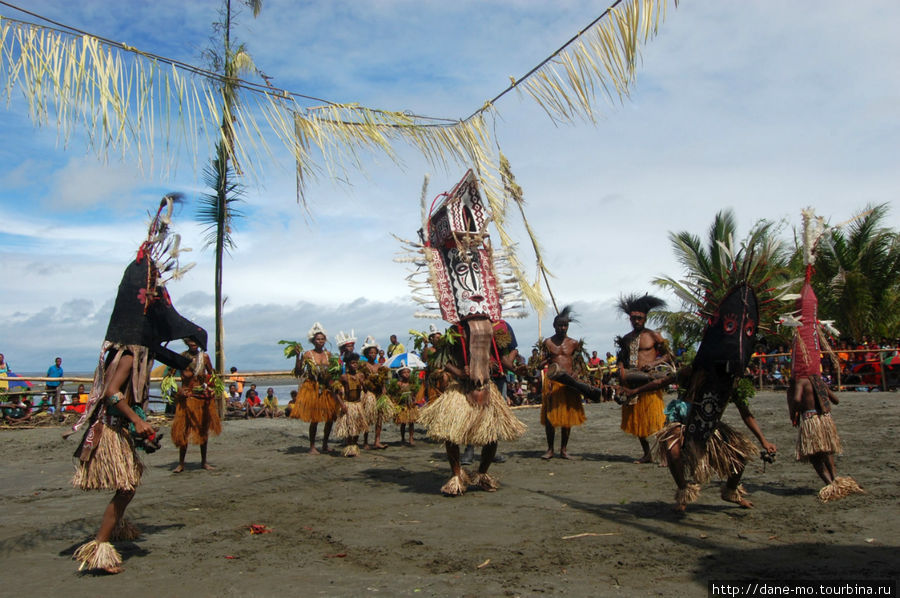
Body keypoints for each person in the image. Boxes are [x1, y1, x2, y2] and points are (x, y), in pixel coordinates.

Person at [66, 194, 205, 573]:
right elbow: (111, 393)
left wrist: (190, 358)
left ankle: (118, 528)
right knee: (126, 485)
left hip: (119, 426)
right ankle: (100, 548)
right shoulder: (127, 354)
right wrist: (139, 420)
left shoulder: (139, 349)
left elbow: (163, 355)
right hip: (111, 427)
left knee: (130, 484)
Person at [651, 284, 777, 512]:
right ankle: (683, 490)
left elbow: (746, 413)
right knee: (673, 449)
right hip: (685, 421)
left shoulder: (733, 381)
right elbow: (661, 382)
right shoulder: (697, 371)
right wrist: (633, 391)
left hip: (711, 427)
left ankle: (730, 491)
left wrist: (763, 441)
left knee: (739, 459)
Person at [785, 216, 864, 501]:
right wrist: (827, 393)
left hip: (811, 420)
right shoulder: (815, 380)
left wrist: (793, 412)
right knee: (826, 450)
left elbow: (795, 399)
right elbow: (837, 399)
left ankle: (831, 481)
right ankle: (835, 478)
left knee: (817, 453)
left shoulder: (803, 380)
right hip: (824, 418)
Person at [615, 293, 672, 464]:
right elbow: (621, 360)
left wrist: (655, 364)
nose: (636, 321)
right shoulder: (626, 339)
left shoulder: (654, 336)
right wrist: (620, 370)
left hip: (650, 382)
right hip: (632, 382)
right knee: (637, 421)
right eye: (633, 318)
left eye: (639, 318)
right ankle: (647, 453)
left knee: (657, 421)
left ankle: (665, 454)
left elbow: (669, 355)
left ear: (645, 318)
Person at [539, 306, 591, 460]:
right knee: (550, 417)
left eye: (565, 325)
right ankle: (550, 449)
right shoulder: (547, 343)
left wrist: (575, 375)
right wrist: (544, 362)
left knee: (567, 417)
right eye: (560, 325)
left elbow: (580, 364)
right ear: (554, 326)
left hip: (569, 383)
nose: (562, 328)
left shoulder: (574, 343)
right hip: (553, 382)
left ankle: (563, 449)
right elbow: (539, 363)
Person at [289, 322, 341, 455]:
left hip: (326, 387)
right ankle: (312, 446)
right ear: (313, 340)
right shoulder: (307, 354)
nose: (320, 341)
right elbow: (299, 372)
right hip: (312, 387)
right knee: (315, 419)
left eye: (322, 339)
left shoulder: (328, 355)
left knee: (330, 418)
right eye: (318, 339)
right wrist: (297, 356)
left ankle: (324, 444)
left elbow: (333, 372)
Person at [171, 337, 220, 473]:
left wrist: (212, 388)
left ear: (199, 343)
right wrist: (179, 390)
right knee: (183, 430)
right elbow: (168, 378)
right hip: (186, 398)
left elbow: (212, 375)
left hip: (201, 398)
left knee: (202, 429)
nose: (193, 344)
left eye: (195, 341)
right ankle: (181, 463)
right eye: (190, 341)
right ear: (187, 342)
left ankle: (204, 462)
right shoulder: (181, 357)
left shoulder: (204, 358)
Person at [360, 336, 391, 450]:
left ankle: (377, 441)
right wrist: (365, 388)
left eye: (374, 353)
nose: (373, 354)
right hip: (369, 394)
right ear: (367, 354)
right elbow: (361, 380)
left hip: (379, 394)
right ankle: (365, 442)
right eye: (370, 353)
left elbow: (383, 380)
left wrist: (384, 389)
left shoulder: (380, 366)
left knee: (379, 418)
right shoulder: (364, 366)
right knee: (367, 418)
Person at [333, 353, 364, 456]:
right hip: (348, 404)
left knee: (357, 427)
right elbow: (336, 392)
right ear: (347, 365)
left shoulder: (360, 375)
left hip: (357, 404)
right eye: (352, 363)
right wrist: (342, 405)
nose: (354, 365)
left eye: (356, 363)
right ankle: (349, 447)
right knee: (349, 427)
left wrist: (363, 383)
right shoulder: (344, 377)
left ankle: (354, 446)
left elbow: (367, 390)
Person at [390, 362, 421, 445]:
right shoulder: (398, 384)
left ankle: (411, 438)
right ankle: (403, 438)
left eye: (408, 372)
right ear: (400, 374)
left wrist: (415, 400)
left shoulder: (412, 384)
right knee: (403, 423)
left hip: (410, 405)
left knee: (411, 423)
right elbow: (395, 395)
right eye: (404, 372)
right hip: (402, 406)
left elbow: (415, 393)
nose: (406, 374)